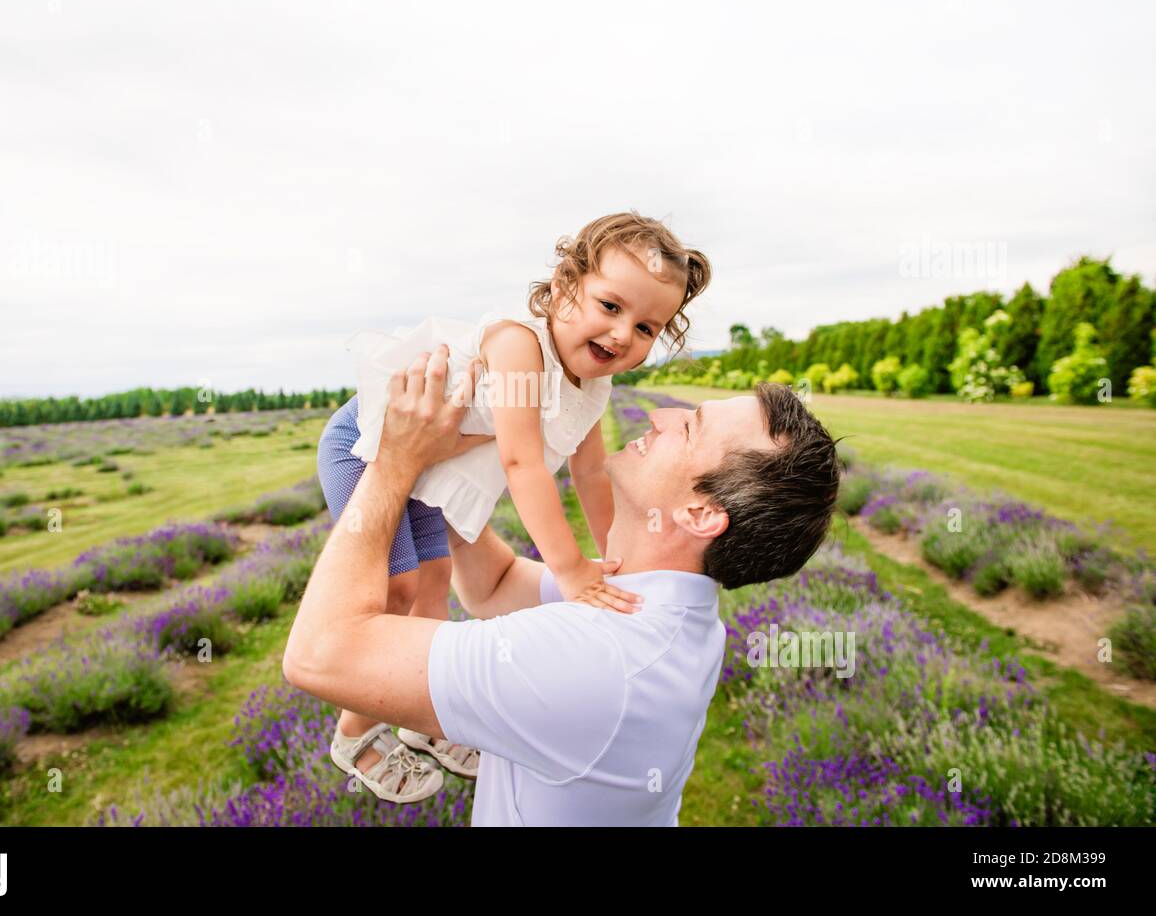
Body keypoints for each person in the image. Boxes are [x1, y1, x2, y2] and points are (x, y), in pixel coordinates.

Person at [283, 346, 841, 825]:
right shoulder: (654, 603)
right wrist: (450, 454)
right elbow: (496, 585)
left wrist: (392, 465)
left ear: (700, 513)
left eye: (689, 426)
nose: (660, 415)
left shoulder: (595, 659)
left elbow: (319, 656)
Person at [315, 211, 710, 800]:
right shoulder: (517, 345)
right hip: (370, 449)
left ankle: (419, 721)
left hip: (431, 474)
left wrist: (619, 562)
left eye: (648, 327)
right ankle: (352, 735)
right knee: (395, 593)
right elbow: (522, 463)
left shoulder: (593, 385)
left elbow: (591, 475)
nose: (624, 334)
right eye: (610, 306)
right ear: (563, 287)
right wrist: (572, 573)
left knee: (434, 583)